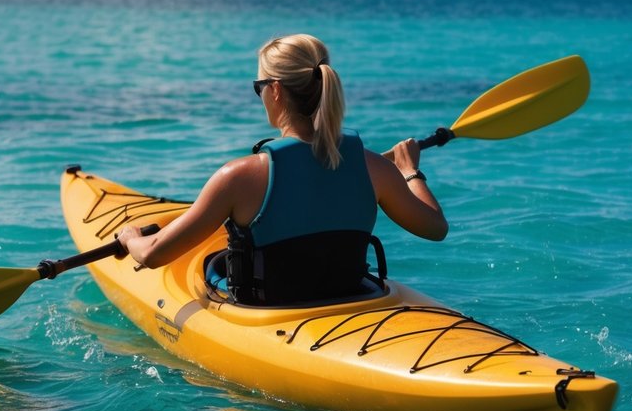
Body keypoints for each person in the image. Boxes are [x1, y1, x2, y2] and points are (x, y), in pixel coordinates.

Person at [119, 34, 447, 304]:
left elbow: (152, 255)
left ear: (275, 90)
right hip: (353, 299)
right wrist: (409, 171)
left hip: (270, 313)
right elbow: (435, 228)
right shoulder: (373, 166)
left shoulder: (238, 177)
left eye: (258, 87)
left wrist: (129, 236)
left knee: (211, 266)